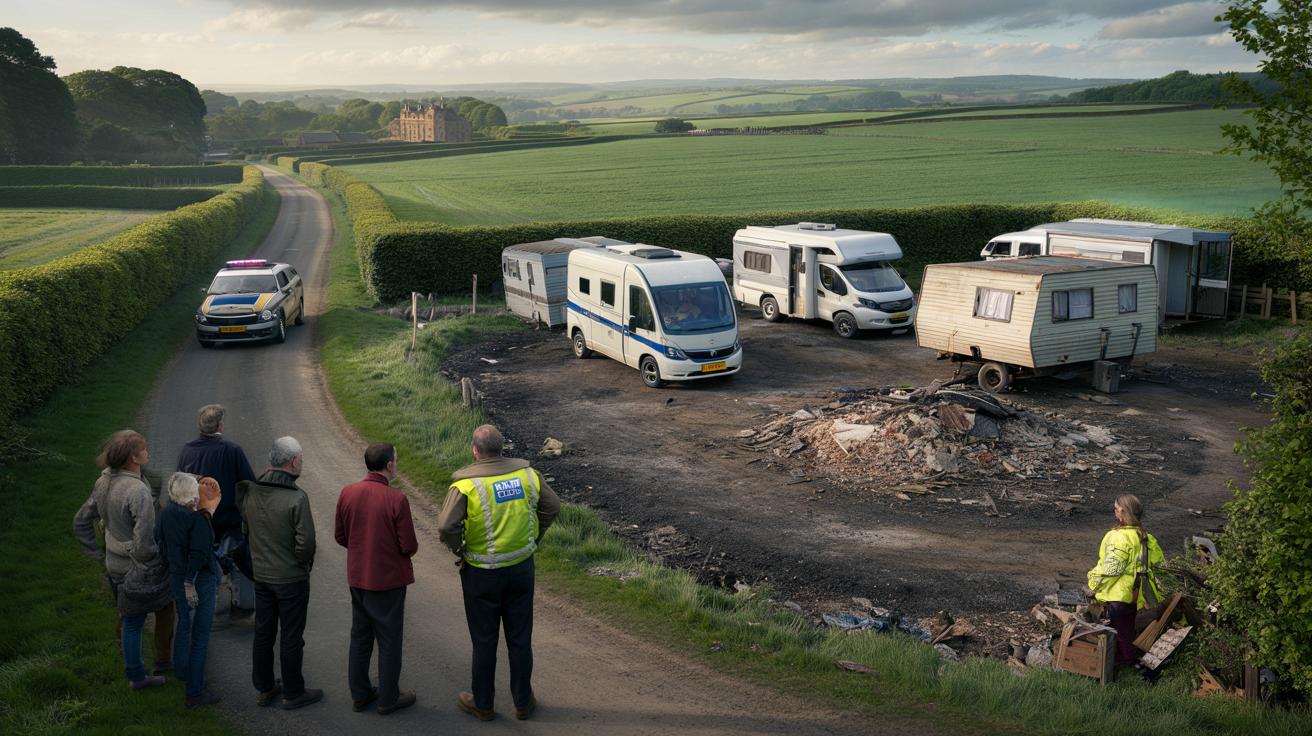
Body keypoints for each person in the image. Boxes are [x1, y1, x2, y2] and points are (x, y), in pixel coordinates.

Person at [438, 425, 560, 722]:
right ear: (502, 447)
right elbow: (552, 506)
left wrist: (461, 550)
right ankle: (522, 701)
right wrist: (534, 538)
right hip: (520, 568)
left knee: (484, 640)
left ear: (475, 450)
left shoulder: (465, 485)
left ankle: (483, 703)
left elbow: (445, 527)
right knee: (520, 638)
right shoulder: (528, 475)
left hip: (482, 574)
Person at [73, 430, 174, 689]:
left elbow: (81, 520)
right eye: (144, 449)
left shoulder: (103, 481)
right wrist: (153, 560)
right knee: (146, 616)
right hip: (137, 568)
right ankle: (144, 673)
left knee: (129, 618)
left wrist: (95, 552)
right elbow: (145, 540)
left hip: (113, 563)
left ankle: (136, 671)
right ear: (133, 457)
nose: (147, 452)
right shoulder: (137, 490)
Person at [237, 436, 321, 709]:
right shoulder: (296, 498)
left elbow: (246, 531)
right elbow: (306, 543)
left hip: (261, 576)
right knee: (291, 635)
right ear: (293, 461)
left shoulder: (250, 490)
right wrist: (300, 563)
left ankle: (264, 688)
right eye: (301, 459)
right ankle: (294, 692)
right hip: (290, 578)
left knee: (263, 632)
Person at [335, 443, 419, 715]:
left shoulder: (348, 493)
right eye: (396, 458)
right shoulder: (396, 499)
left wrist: (362, 550)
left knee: (360, 637)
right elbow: (408, 545)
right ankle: (388, 698)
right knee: (389, 640)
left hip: (358, 577)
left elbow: (340, 535)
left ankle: (360, 694)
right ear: (389, 465)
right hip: (388, 581)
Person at [177, 404, 258, 622]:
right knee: (237, 562)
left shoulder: (187, 450)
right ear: (220, 425)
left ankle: (207, 611)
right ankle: (242, 607)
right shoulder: (232, 450)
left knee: (205, 564)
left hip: (199, 519)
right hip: (228, 519)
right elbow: (249, 483)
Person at [156, 473, 222, 708]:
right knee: (200, 636)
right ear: (191, 495)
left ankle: (182, 670)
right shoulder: (198, 520)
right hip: (198, 580)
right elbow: (199, 554)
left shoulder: (165, 514)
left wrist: (176, 571)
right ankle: (195, 692)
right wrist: (189, 581)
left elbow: (160, 543)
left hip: (176, 575)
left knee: (184, 623)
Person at [1087, 494, 1164, 673]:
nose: (1114, 511)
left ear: (1122, 512)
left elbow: (1112, 568)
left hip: (1117, 596)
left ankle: (1123, 668)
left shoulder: (1118, 537)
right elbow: (1160, 565)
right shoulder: (1146, 537)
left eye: (1115, 508)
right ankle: (1127, 664)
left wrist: (1093, 581)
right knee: (1127, 631)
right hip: (1135, 596)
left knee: (1118, 635)